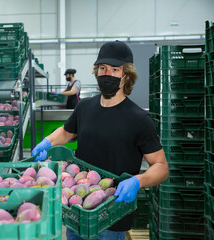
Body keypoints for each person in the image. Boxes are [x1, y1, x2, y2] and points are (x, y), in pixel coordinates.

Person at [31, 40, 169, 240]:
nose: (106, 74)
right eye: (102, 68)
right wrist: (47, 142)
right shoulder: (85, 107)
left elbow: (161, 167)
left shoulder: (138, 118)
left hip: (111, 216)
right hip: (78, 211)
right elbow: (67, 132)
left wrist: (137, 181)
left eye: (114, 69)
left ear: (126, 76)